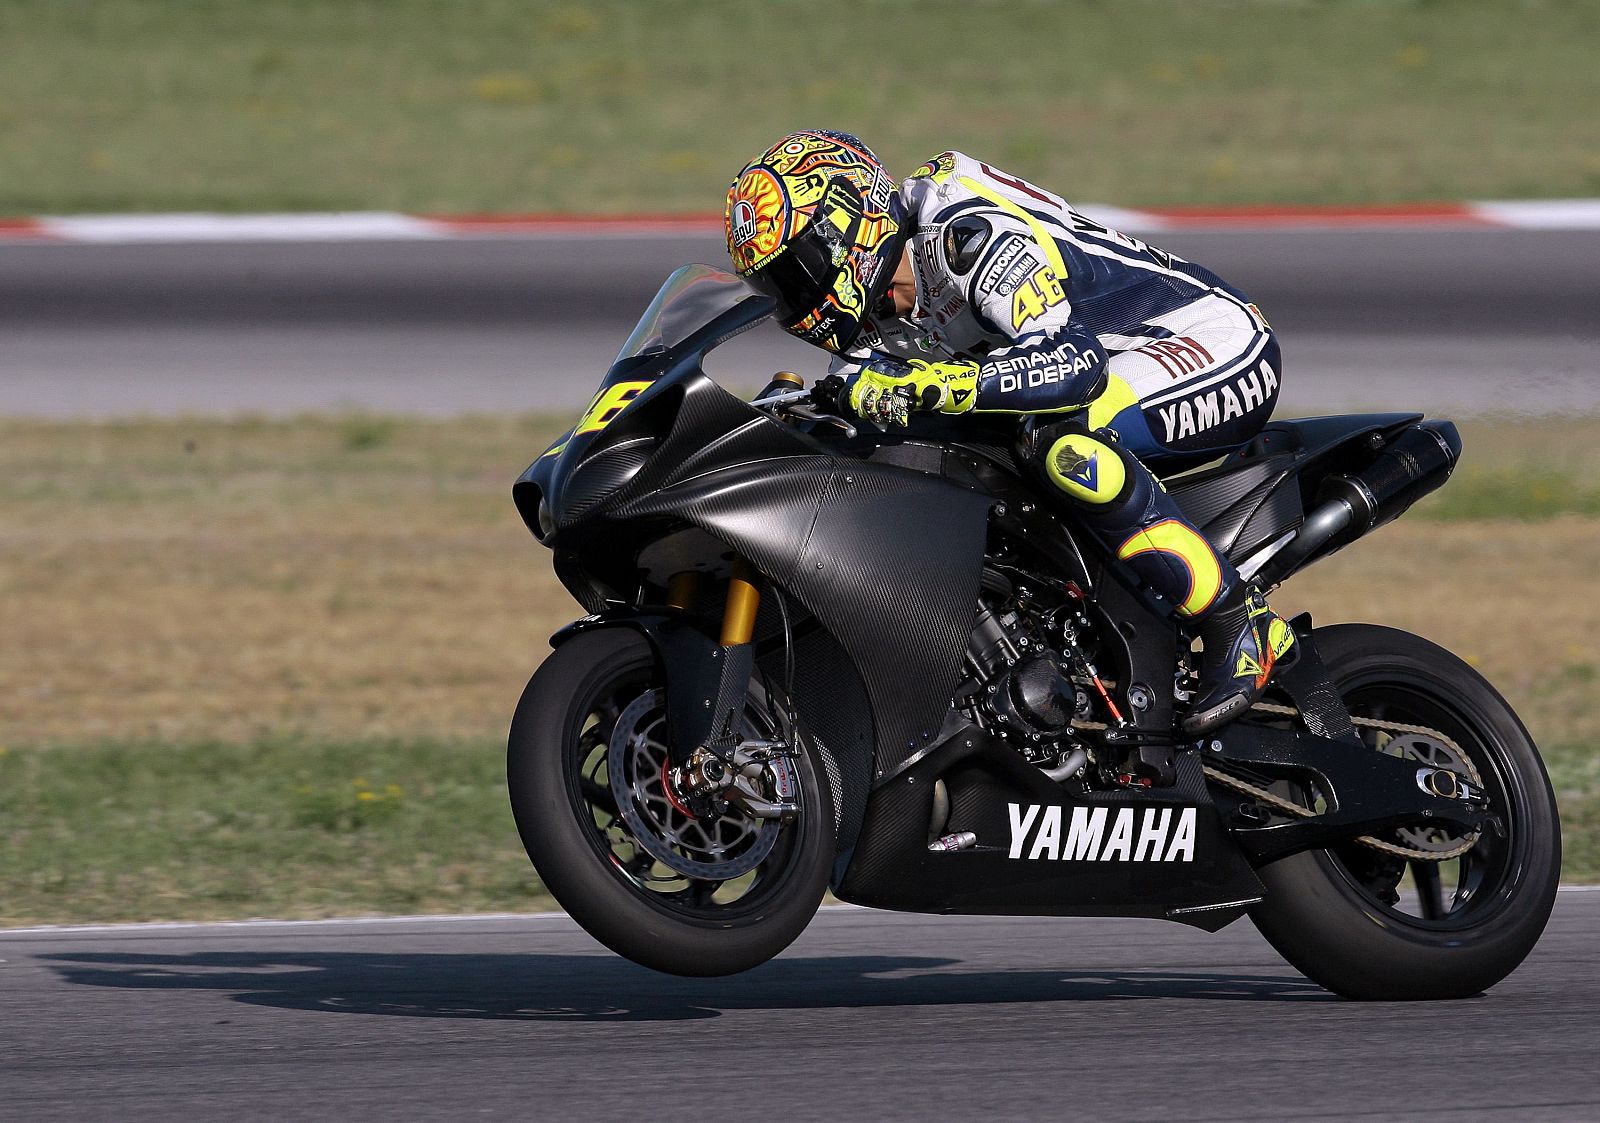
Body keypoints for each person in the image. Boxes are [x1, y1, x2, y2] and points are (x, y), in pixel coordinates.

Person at [725, 130, 1295, 737]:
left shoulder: (964, 232)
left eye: (796, 274)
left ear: (850, 231)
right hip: (1110, 367)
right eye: (775, 289)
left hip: (1207, 345)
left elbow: (1073, 367)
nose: (793, 302)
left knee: (1059, 445)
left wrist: (930, 387)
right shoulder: (873, 317)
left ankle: (1235, 620)